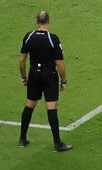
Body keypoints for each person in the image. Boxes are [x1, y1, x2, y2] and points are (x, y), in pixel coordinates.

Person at [18, 10, 72, 152]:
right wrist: (64, 80)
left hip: (34, 74)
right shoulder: (53, 38)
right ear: (49, 21)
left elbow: (22, 59)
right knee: (51, 107)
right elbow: (59, 63)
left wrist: (24, 77)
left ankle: (22, 139)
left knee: (29, 105)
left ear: (36, 21)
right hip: (49, 75)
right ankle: (57, 143)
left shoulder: (28, 36)